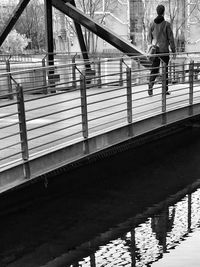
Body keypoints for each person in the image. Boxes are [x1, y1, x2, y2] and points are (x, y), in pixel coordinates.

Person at [147, 4, 176, 96]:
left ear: (157, 12)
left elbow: (149, 38)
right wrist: (173, 50)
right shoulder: (167, 24)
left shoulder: (152, 24)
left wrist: (151, 45)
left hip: (155, 51)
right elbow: (171, 39)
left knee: (154, 69)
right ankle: (165, 90)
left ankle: (150, 86)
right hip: (164, 52)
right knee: (165, 71)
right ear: (163, 12)